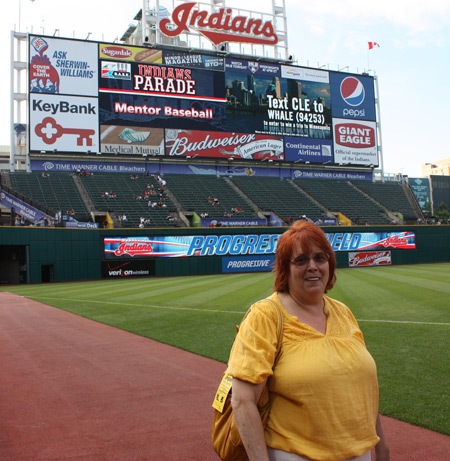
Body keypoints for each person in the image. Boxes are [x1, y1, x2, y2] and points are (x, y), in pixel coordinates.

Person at [227, 220, 390, 461]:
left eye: (320, 258)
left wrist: (381, 445)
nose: (312, 266)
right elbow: (243, 400)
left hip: (360, 451)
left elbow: (363, 385)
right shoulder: (266, 316)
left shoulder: (343, 312)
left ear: (329, 264)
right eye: (301, 260)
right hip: (295, 454)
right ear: (285, 269)